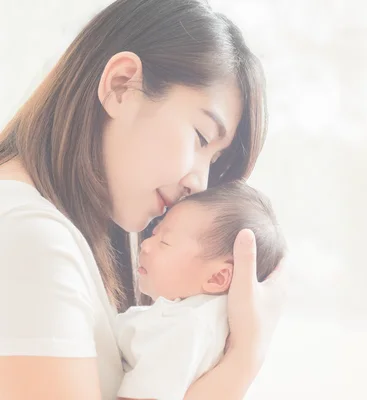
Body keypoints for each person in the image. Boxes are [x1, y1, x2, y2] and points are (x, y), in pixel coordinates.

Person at [0, 0, 285, 399]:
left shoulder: (46, 230)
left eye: (215, 160)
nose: (199, 183)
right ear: (122, 85)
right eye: (202, 138)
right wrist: (242, 362)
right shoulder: (30, 237)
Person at [116, 180, 286, 400]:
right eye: (154, 234)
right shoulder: (200, 322)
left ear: (217, 277)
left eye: (164, 242)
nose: (145, 245)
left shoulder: (187, 327)